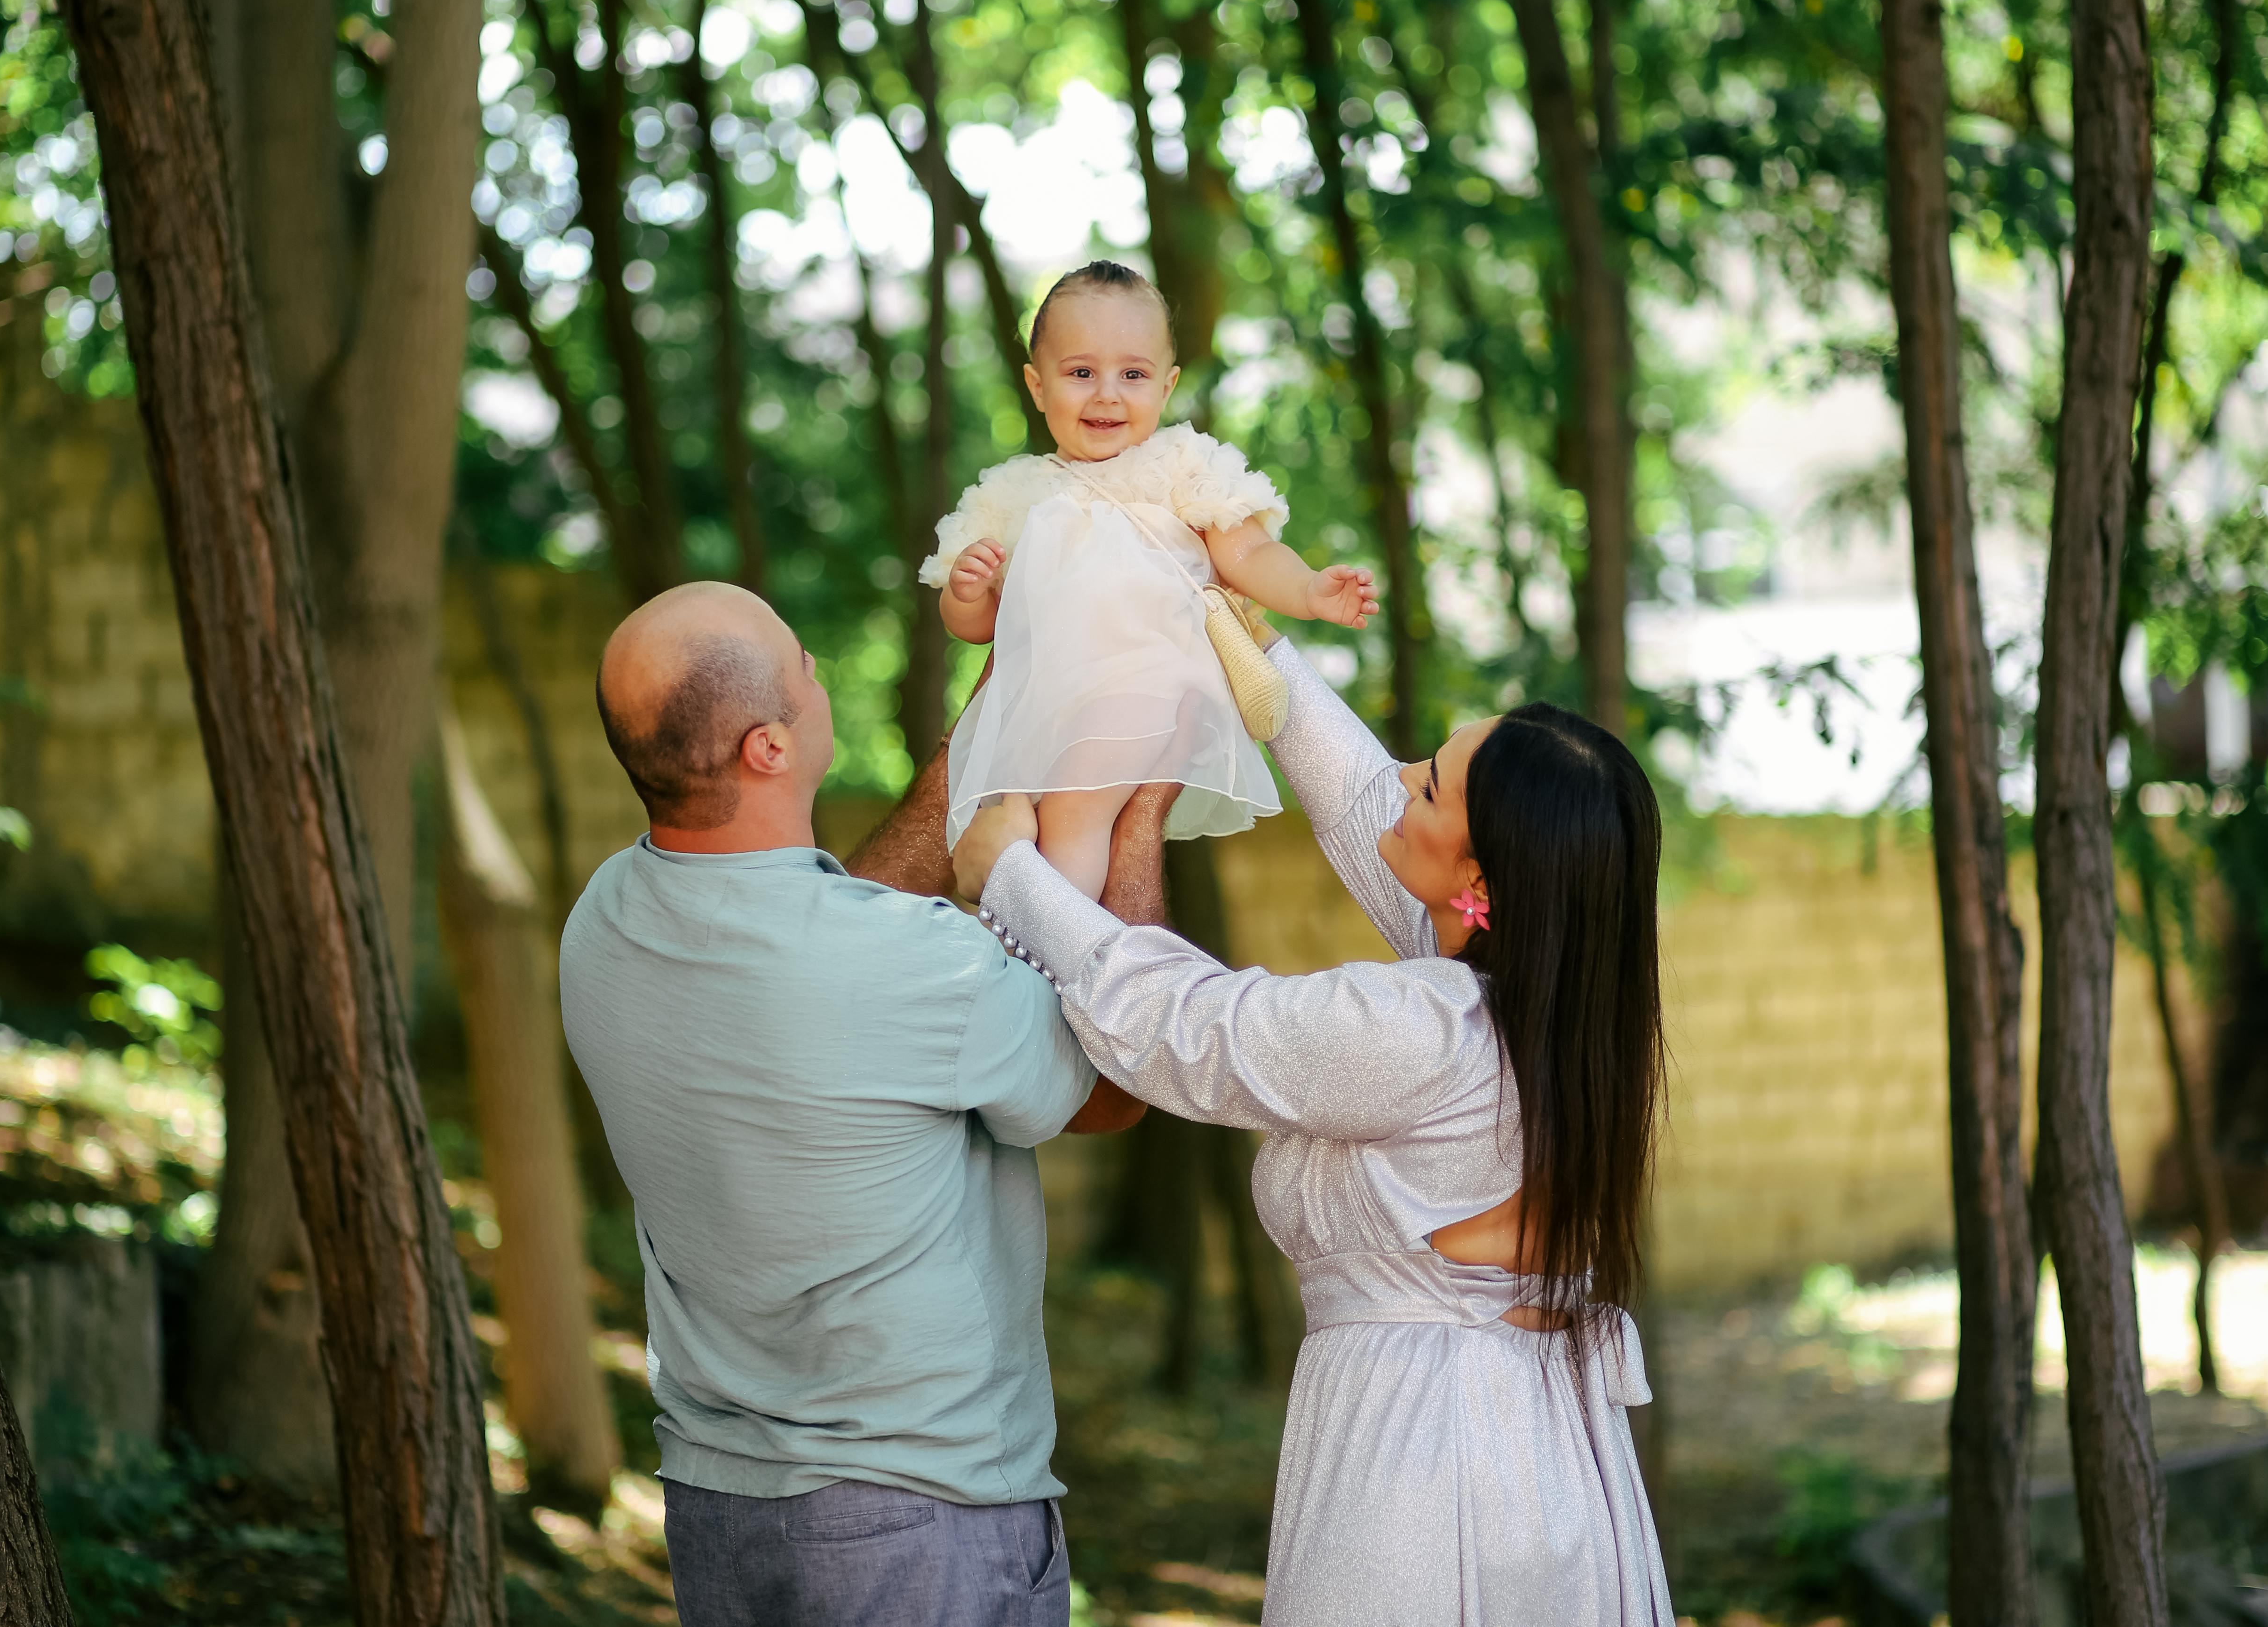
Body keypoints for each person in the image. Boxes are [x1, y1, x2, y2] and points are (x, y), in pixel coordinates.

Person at [954, 635, 1675, 1624]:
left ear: (1482, 880)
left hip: (1428, 1461)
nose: (1400, 783)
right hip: (1539, 1451)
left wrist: (1011, 878)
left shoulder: (1429, 1032)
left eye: (1428, 787)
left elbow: (1197, 1033)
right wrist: (1267, 660)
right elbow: (1367, 805)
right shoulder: (1566, 1018)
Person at [560, 583, 1161, 1627]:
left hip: (721, 1504)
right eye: (804, 667)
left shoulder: (603, 924)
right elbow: (1114, 1089)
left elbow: (839, 926)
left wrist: (997, 711)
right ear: (767, 749)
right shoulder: (914, 970)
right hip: (919, 1521)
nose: (820, 678)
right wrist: (1146, 815)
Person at [922, 259, 1378, 899]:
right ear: (1037, 384)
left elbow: (1246, 554)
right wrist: (966, 592)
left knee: (1073, 817)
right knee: (1018, 821)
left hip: (1146, 683)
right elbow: (978, 627)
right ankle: (1028, 924)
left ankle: (1054, 953)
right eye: (1081, 373)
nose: (1108, 394)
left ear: (1166, 387)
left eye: (1132, 375)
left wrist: (1307, 589)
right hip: (1044, 706)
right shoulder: (1015, 494)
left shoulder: (1180, 467)